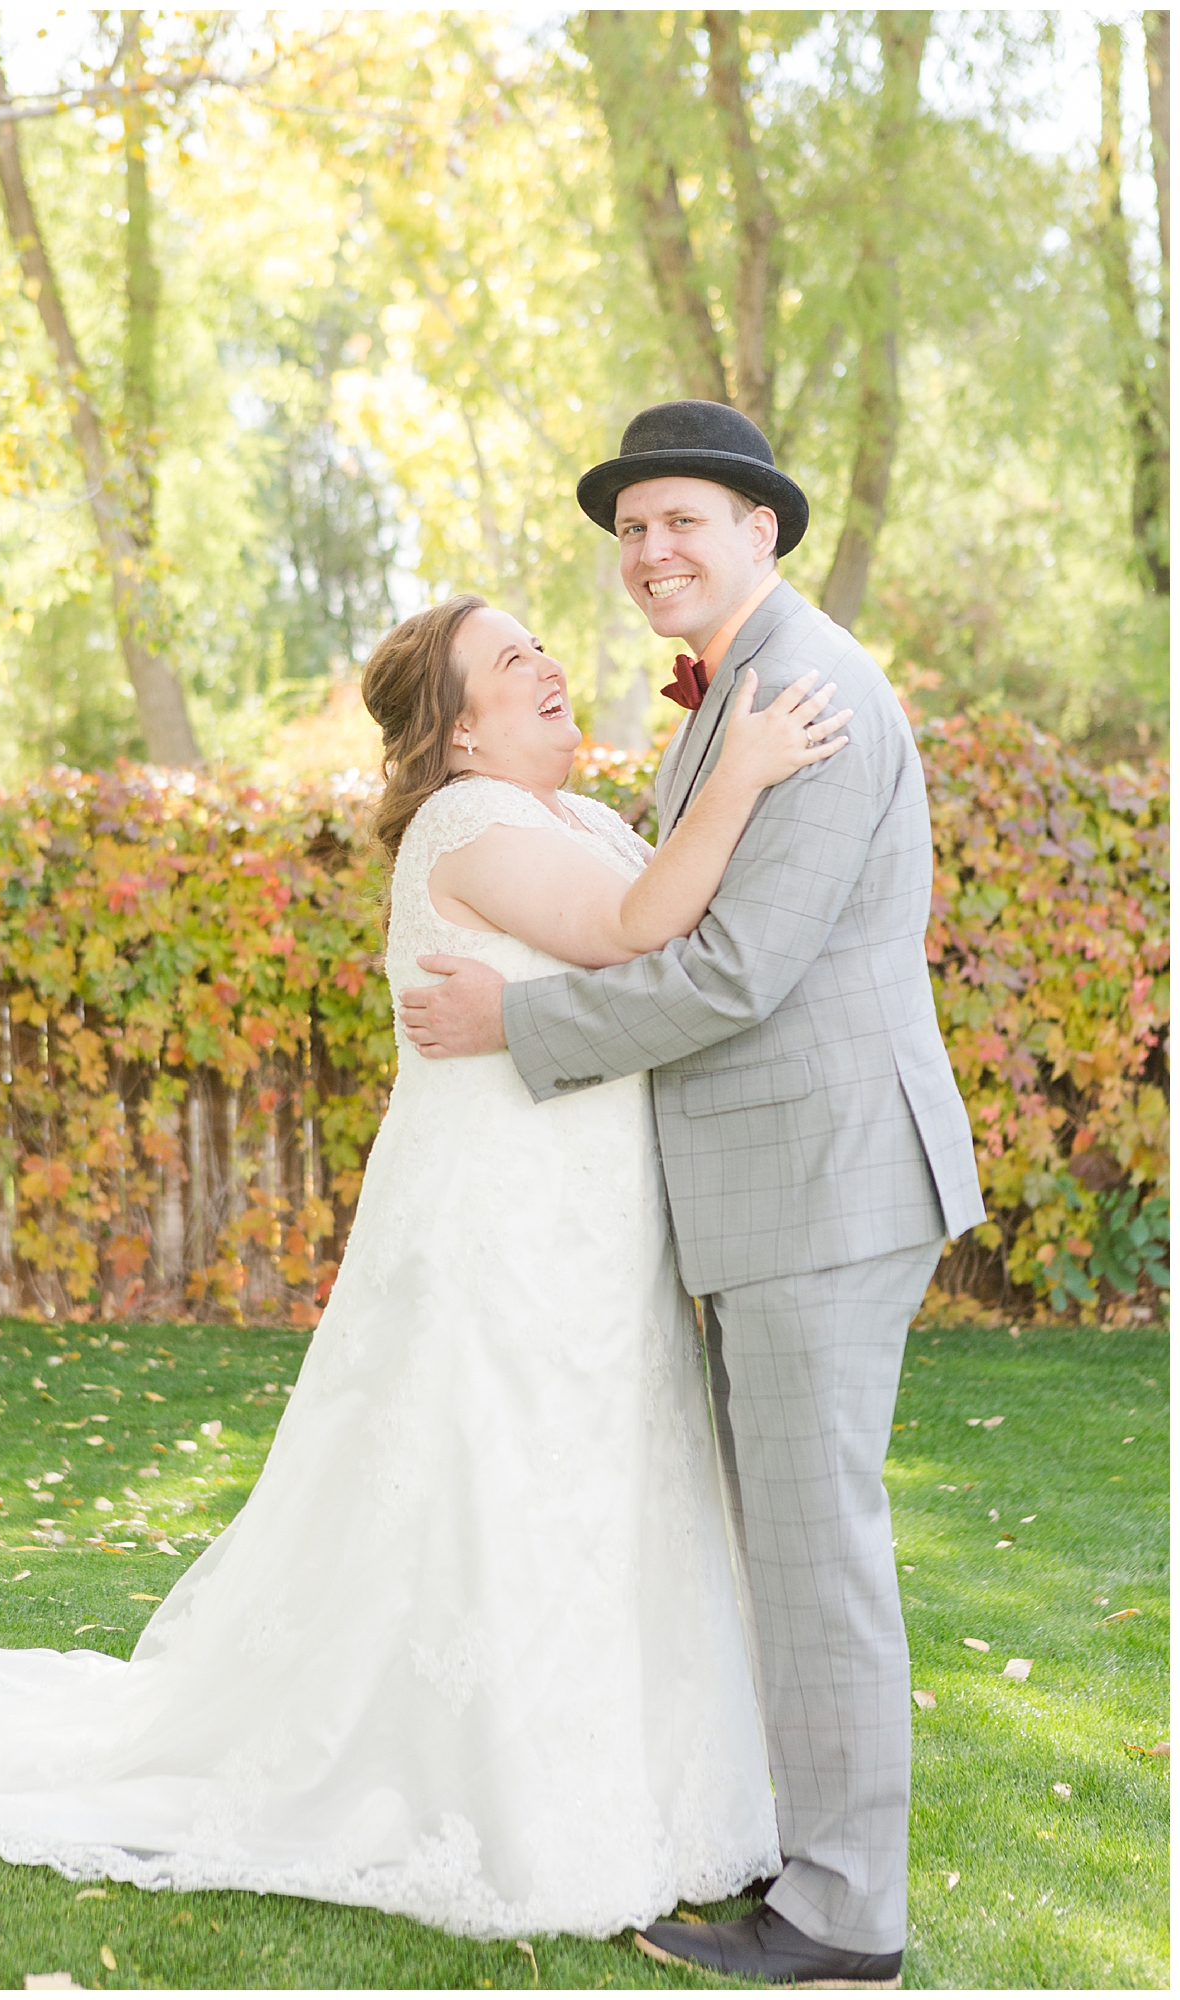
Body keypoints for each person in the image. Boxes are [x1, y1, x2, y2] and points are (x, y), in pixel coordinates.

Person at [0, 586, 849, 1943]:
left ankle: (642, 1787)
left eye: (540, 646)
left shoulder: (578, 819)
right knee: (498, 1475)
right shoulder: (469, 825)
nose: (549, 666)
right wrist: (742, 766)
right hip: (498, 1219)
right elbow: (638, 932)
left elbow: (656, 937)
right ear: (456, 735)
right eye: (512, 663)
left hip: (600, 1223)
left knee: (604, 1473)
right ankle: (495, 1794)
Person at [400, 399, 986, 1986]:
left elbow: (730, 971)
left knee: (817, 1550)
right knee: (795, 1544)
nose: (651, 552)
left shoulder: (809, 689)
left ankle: (842, 1917)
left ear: (760, 533)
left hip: (824, 1179)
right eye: (632, 528)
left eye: (683, 523)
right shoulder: (739, 690)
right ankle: (811, 1870)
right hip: (787, 1181)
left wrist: (518, 1022)